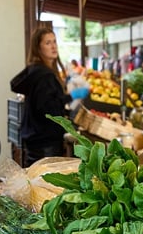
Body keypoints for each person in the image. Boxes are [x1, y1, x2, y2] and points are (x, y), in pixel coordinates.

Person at [10, 26, 89, 167]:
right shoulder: (44, 75)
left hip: (35, 137)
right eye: (47, 43)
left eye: (54, 42)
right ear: (38, 48)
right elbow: (46, 108)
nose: (53, 46)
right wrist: (70, 97)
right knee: (44, 182)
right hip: (45, 141)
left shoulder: (35, 70)